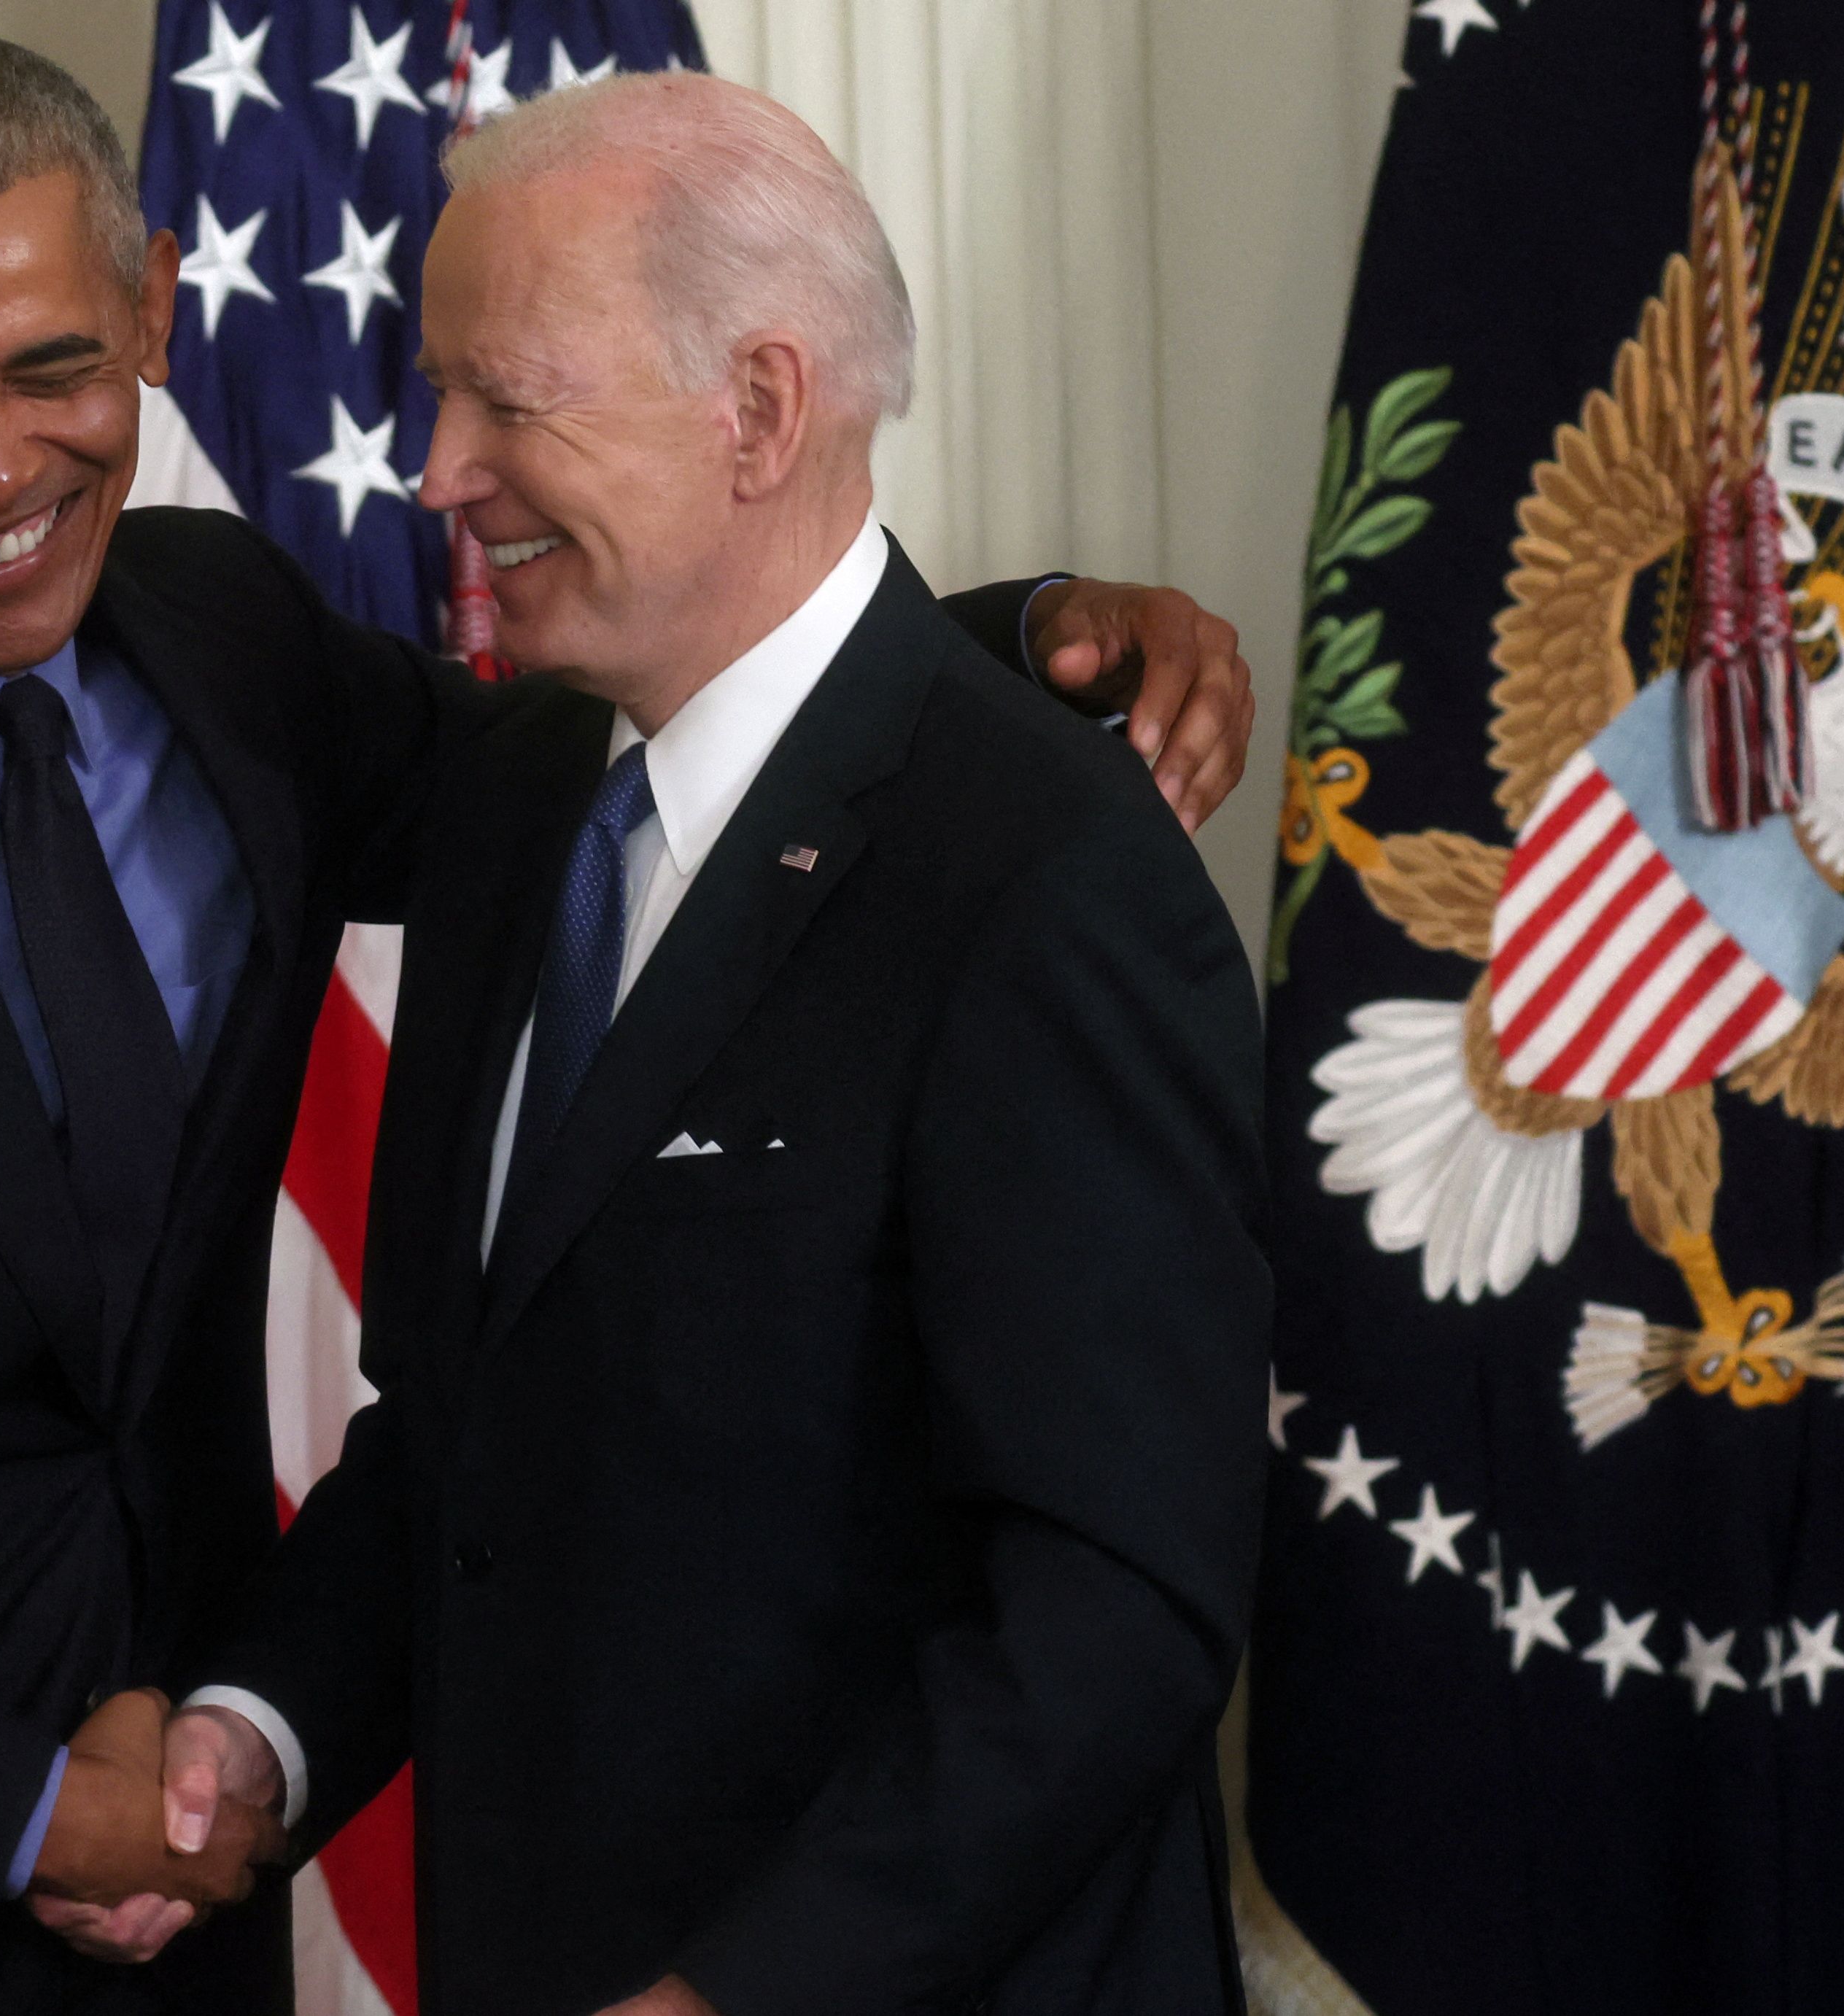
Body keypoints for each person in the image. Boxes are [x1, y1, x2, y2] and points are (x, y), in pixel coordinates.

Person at [0, 34, 1254, 2015]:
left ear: (154, 316)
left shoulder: (224, 644)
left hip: (186, 1929)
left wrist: (1023, 644)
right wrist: (1, 1803)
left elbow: (773, 735)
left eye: (53, 372)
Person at [158, 73, 1272, 2016]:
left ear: (758, 407)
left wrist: (738, 1995)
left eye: (508, 397)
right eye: (446, 394)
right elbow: (462, 1438)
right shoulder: (513, 803)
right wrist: (262, 1724)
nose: (439, 468)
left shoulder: (1042, 872)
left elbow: (1113, 1606)